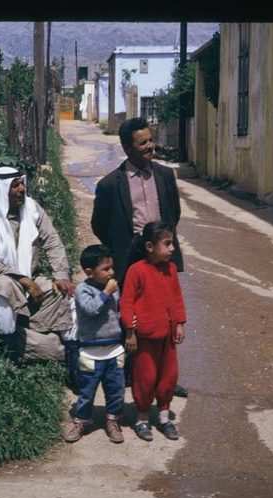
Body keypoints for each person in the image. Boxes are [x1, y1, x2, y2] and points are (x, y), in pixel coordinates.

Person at [91, 117, 188, 398]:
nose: (150, 147)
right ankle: (132, 375)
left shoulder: (165, 176)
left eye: (150, 140)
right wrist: (121, 247)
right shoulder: (110, 184)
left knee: (165, 312)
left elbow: (174, 214)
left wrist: (161, 244)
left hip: (161, 253)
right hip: (130, 255)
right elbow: (99, 224)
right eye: (143, 143)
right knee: (131, 315)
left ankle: (164, 377)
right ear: (126, 147)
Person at [0, 166, 75, 362]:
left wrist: (61, 274)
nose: (21, 189)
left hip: (29, 280)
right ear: (2, 190)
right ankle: (7, 339)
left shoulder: (31, 208)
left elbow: (52, 241)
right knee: (4, 285)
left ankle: (32, 332)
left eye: (22, 184)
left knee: (57, 289)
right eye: (15, 186)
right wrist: (25, 280)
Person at [119, 221, 187, 442]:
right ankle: (142, 418)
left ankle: (165, 418)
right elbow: (126, 302)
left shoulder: (171, 270)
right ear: (149, 246)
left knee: (168, 378)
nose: (172, 249)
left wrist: (179, 323)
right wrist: (130, 331)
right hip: (145, 339)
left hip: (167, 337)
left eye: (172, 243)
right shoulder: (136, 271)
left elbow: (176, 298)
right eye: (167, 244)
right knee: (145, 378)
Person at [62, 244, 125, 444]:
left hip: (114, 349)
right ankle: (81, 421)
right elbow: (91, 309)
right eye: (105, 269)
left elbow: (116, 311)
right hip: (90, 352)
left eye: (112, 268)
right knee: (86, 391)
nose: (111, 272)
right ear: (89, 272)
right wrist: (106, 292)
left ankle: (113, 421)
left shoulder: (113, 287)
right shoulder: (83, 289)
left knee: (116, 390)